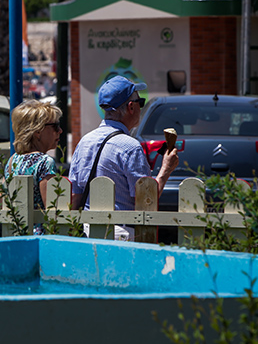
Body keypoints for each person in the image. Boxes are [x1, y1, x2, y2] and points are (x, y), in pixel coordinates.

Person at [68, 75, 179, 241]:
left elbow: (75, 197)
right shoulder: (130, 147)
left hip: (87, 232)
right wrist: (166, 169)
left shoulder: (84, 142)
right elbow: (146, 200)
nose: (141, 108)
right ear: (131, 107)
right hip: (121, 234)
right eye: (140, 103)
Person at [5, 100, 63, 231]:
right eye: (55, 126)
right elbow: (52, 208)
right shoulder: (45, 162)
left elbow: (1, 205)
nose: (60, 130)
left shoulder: (12, 161)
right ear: (38, 131)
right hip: (39, 239)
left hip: (16, 234)